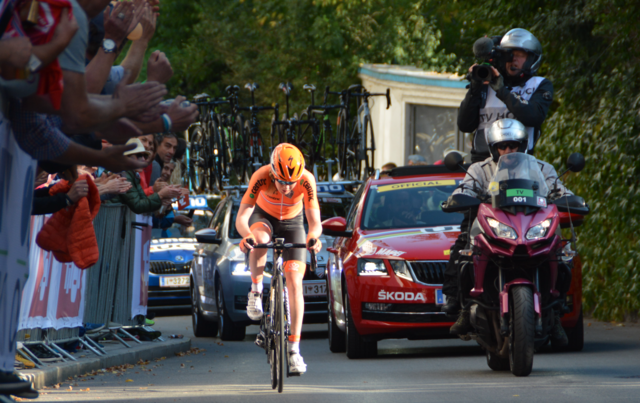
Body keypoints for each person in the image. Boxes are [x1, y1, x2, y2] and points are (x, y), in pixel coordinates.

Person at [443, 119, 570, 346]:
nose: (508, 151)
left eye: (513, 146)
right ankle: (461, 305)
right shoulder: (478, 169)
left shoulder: (542, 168)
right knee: (462, 249)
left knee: (561, 254)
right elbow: (466, 188)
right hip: (495, 225)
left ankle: (556, 311)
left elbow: (558, 189)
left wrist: (570, 198)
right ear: (493, 148)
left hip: (531, 225)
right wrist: (460, 196)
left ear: (523, 146)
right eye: (503, 146)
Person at [235, 144, 322, 374]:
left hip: (293, 224)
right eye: (281, 181)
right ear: (273, 173)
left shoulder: (307, 180)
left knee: (294, 283)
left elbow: (314, 223)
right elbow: (242, 218)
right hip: (264, 217)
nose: (287, 187)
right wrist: (247, 236)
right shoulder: (261, 176)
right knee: (260, 238)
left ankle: (294, 350)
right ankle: (256, 292)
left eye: (291, 182)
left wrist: (313, 236)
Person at [458, 28, 553, 163]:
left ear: (531, 59)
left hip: (520, 164)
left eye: (520, 55)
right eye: (509, 54)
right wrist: (475, 88)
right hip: (482, 165)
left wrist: (501, 90)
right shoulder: (486, 82)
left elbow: (534, 117)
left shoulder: (539, 84)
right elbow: (464, 125)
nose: (513, 59)